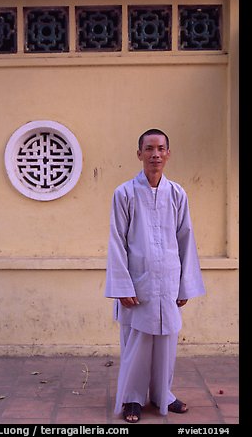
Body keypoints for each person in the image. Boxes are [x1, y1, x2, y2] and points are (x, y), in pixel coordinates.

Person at [105, 128, 205, 423]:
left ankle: (163, 394)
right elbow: (116, 240)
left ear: (168, 154)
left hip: (169, 281)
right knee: (138, 342)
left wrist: (184, 285)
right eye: (149, 149)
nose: (155, 154)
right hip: (138, 281)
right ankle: (132, 399)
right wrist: (122, 284)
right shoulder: (124, 193)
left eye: (161, 148)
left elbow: (185, 238)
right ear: (139, 154)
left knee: (166, 342)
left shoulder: (177, 193)